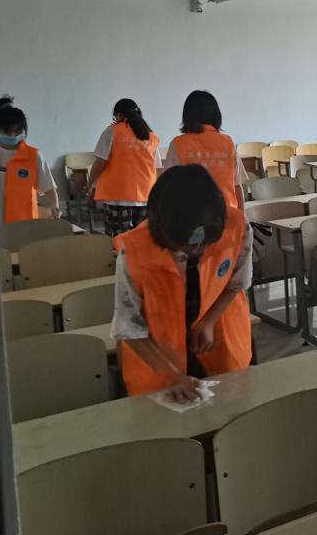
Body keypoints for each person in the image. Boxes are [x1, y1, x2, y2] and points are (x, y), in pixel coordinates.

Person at [110, 164, 253, 401]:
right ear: (161, 229)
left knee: (229, 408)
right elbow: (128, 327)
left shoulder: (237, 227)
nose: (196, 251)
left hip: (221, 347)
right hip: (158, 360)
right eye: (184, 246)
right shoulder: (133, 251)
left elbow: (237, 283)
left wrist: (209, 321)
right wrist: (171, 375)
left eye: (203, 243)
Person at [86, 99, 161, 236]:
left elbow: (99, 163)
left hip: (118, 195)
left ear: (119, 114)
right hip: (146, 195)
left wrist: (90, 185)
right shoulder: (151, 136)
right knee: (142, 238)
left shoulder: (112, 131)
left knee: (118, 237)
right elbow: (157, 169)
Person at [164, 90, 247, 209]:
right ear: (216, 115)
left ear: (187, 116)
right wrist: (241, 217)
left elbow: (169, 189)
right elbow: (237, 186)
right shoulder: (227, 142)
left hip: (192, 216)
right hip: (228, 216)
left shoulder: (178, 144)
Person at [0, 96, 60, 224]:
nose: (13, 135)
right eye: (7, 131)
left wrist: (55, 205)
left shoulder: (34, 156)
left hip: (23, 225)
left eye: (18, 131)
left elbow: (48, 187)